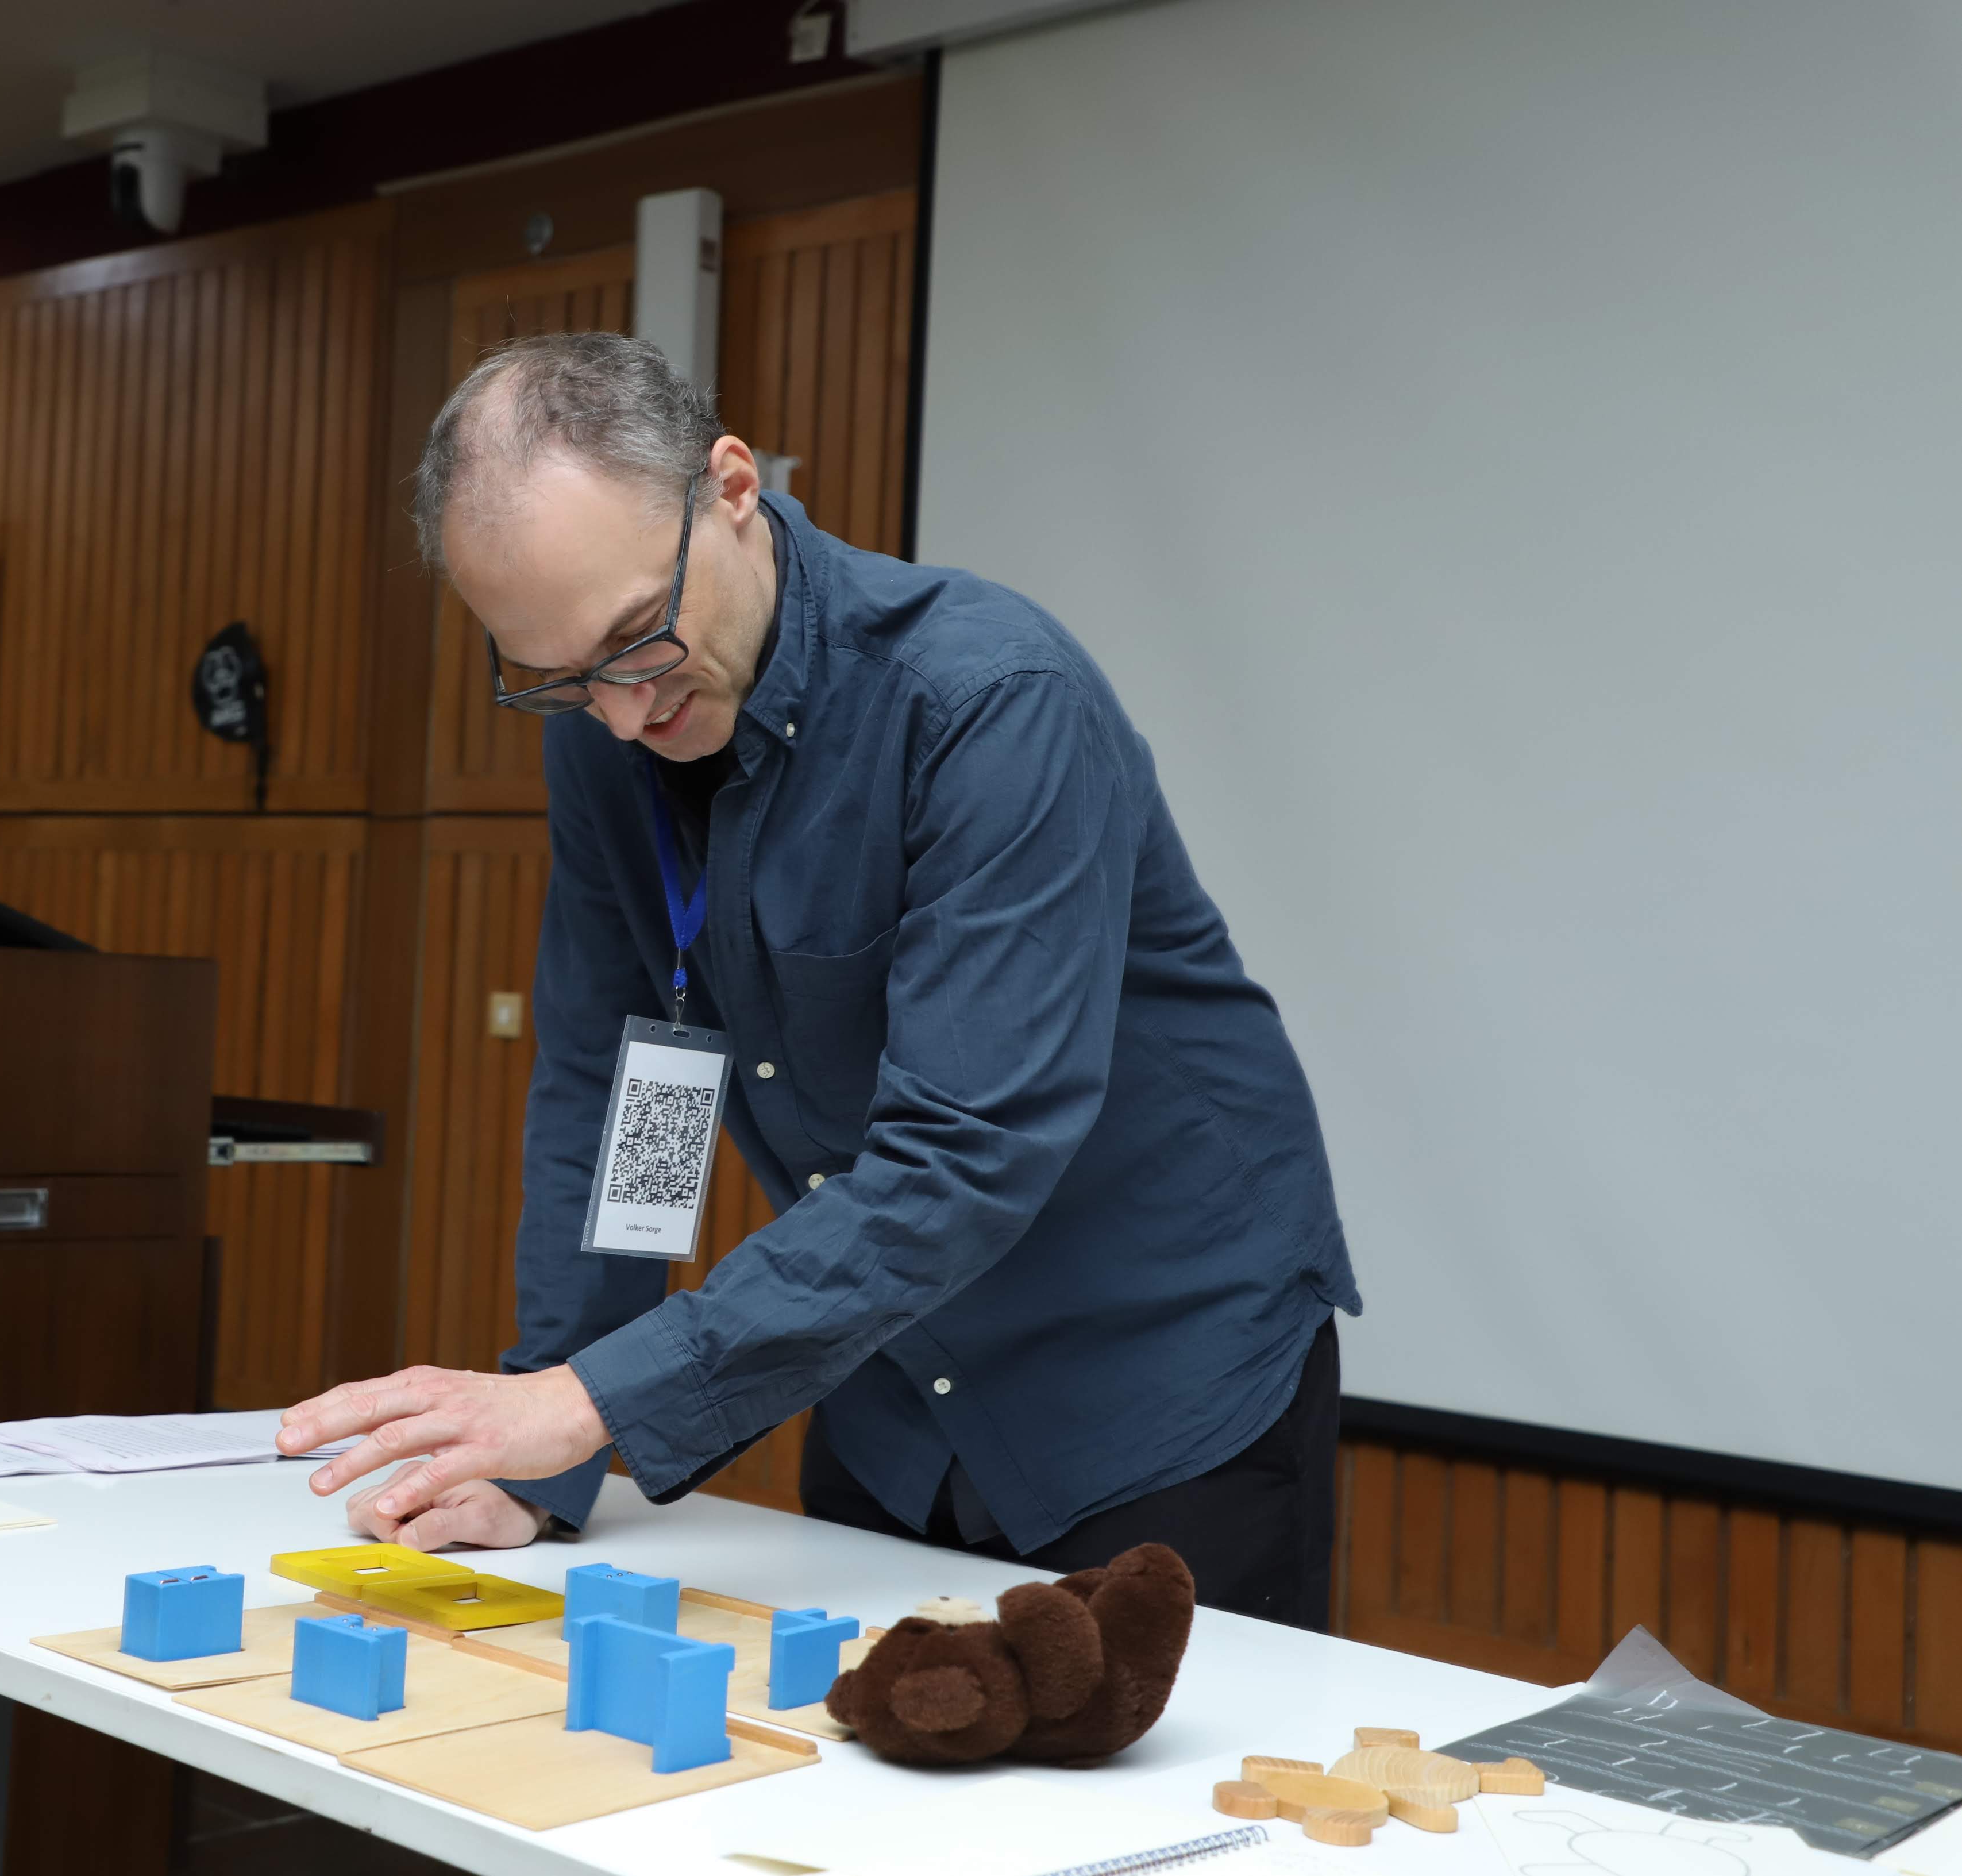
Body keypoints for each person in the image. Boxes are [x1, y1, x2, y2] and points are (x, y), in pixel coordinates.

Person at [278, 332, 1361, 1627]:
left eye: (635, 638)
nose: (621, 713)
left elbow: (963, 1152)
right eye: (557, 677)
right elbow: (637, 1098)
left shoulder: (987, 699)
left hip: (1150, 1385)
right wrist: (551, 1453)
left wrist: (589, 1400)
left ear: (732, 487)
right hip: (890, 1382)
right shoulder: (610, 740)